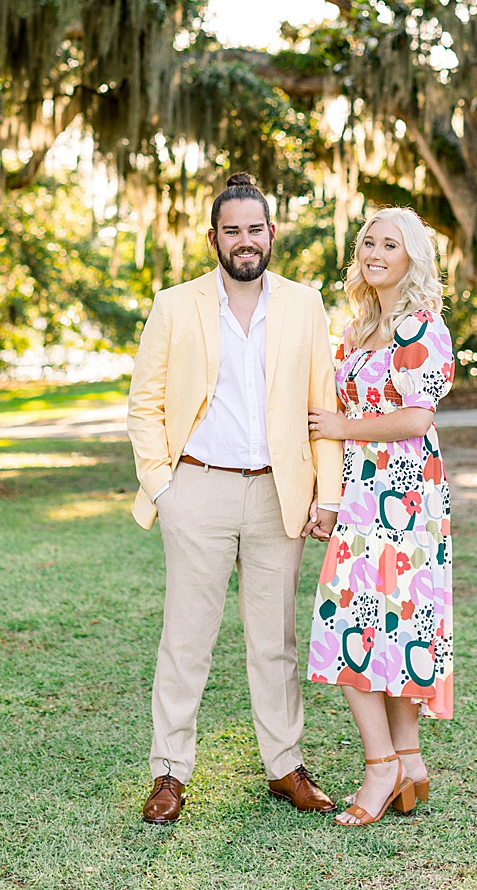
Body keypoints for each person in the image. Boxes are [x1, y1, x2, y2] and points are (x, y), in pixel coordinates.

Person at [128, 172, 346, 825]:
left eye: (255, 229)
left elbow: (322, 408)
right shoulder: (175, 304)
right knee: (186, 637)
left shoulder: (305, 306)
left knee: (274, 640)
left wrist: (327, 494)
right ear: (215, 237)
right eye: (233, 231)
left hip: (279, 494)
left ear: (270, 233)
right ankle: (169, 774)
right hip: (197, 487)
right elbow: (144, 405)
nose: (245, 241)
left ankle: (285, 767)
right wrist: (165, 488)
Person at [305, 205, 456, 827]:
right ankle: (409, 761)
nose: (374, 253)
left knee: (361, 625)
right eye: (368, 242)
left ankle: (380, 765)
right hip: (363, 494)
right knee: (381, 629)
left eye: (389, 245)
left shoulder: (421, 328)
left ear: (410, 258)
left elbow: (418, 419)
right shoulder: (359, 327)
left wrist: (344, 426)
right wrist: (328, 493)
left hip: (405, 496)